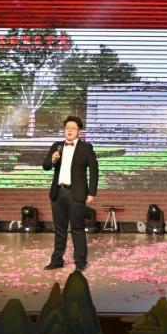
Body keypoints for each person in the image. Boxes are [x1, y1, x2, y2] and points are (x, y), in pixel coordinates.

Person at [41, 116, 99, 271]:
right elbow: (45, 166)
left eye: (73, 128)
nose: (69, 131)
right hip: (58, 193)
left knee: (77, 228)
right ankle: (57, 260)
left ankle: (80, 262)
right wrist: (52, 159)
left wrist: (91, 193)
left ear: (79, 131)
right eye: (67, 128)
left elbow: (94, 171)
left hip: (76, 193)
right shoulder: (57, 146)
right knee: (59, 229)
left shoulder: (86, 148)